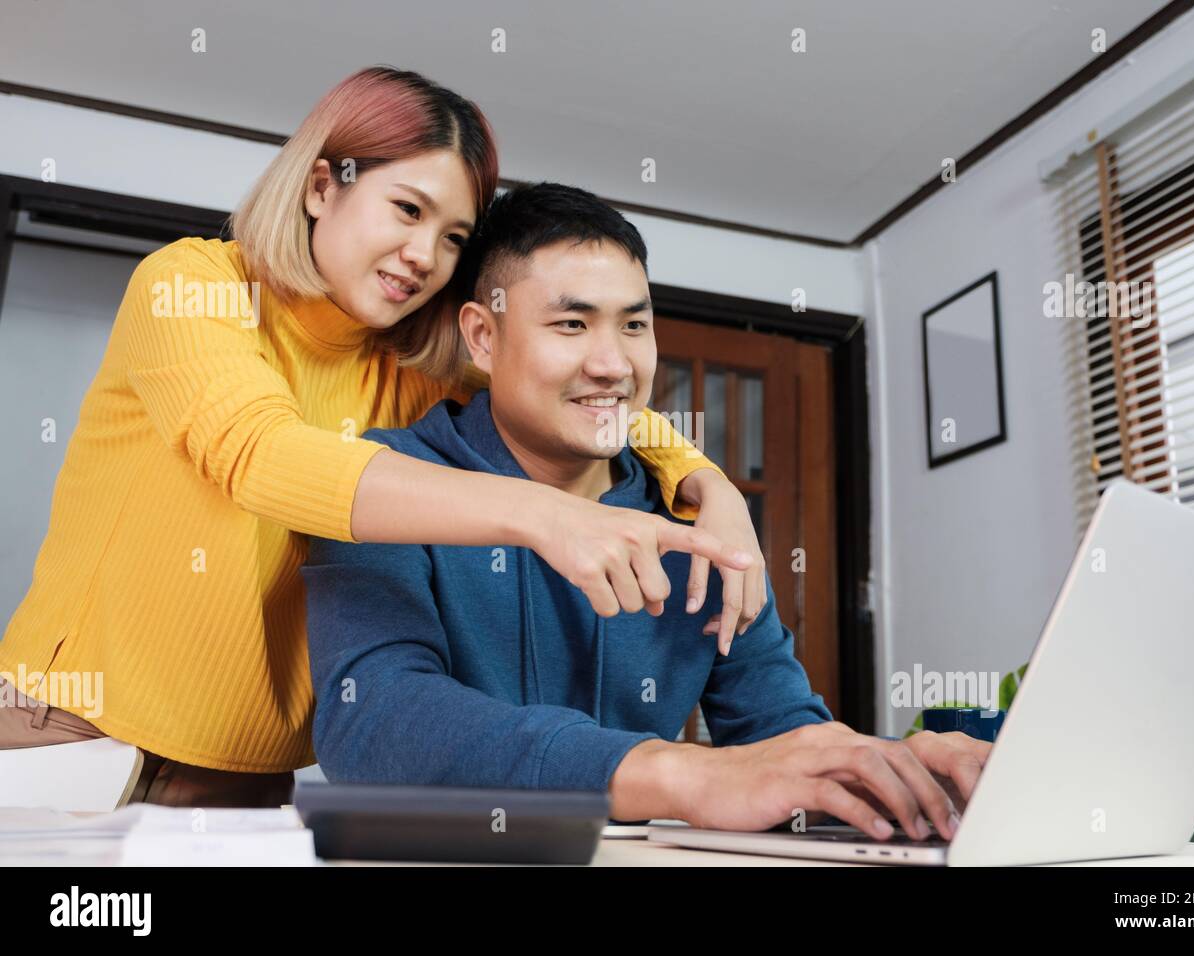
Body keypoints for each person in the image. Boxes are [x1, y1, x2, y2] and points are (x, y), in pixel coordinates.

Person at [0, 68, 765, 808]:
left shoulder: (408, 368)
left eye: (454, 236)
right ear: (321, 185)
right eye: (407, 209)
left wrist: (709, 485)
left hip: (242, 776)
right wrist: (546, 515)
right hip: (65, 733)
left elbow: (585, 390)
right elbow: (257, 453)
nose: (425, 257)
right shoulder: (192, 284)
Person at [303, 183, 989, 837]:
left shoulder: (703, 520)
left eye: (634, 325)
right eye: (571, 324)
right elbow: (371, 721)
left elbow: (777, 732)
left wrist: (898, 774)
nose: (612, 364)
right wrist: (675, 772)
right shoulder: (385, 484)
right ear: (483, 337)